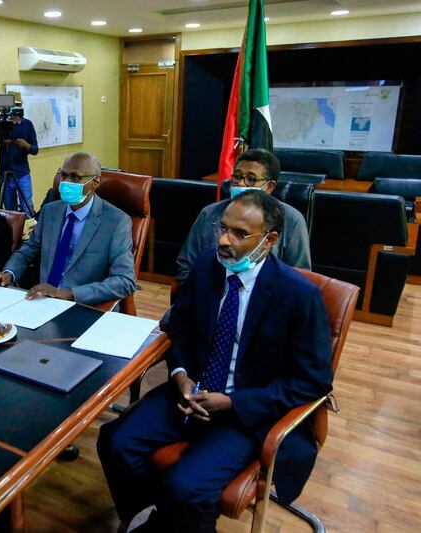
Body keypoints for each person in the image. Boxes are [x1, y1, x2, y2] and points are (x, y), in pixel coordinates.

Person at [97, 190, 332, 533]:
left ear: (270, 239)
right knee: (115, 442)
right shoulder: (208, 265)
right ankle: (152, 516)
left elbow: (313, 381)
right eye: (222, 229)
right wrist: (179, 375)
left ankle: (177, 517)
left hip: (246, 410)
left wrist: (234, 402)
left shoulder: (298, 295)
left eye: (238, 234)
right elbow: (180, 326)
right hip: (191, 392)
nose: (224, 240)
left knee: (187, 486)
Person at [0, 152, 135, 306]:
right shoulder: (50, 211)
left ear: (95, 182)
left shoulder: (116, 222)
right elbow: (27, 251)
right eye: (63, 175)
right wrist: (9, 274)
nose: (65, 182)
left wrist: (69, 294)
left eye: (75, 177)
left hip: (84, 306)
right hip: (41, 299)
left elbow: (124, 281)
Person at [176, 148, 311, 283]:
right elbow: (186, 265)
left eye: (251, 179)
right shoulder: (210, 213)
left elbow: (300, 277)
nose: (241, 183)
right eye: (237, 177)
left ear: (269, 186)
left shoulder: (292, 219)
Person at [0, 101, 38, 217]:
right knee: (9, 209)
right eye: (13, 105)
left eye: (18, 105)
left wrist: (26, 146)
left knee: (27, 205)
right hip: (4, 172)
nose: (15, 108)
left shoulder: (27, 124)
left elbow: (35, 149)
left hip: (22, 172)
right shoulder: (1, 122)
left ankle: (30, 233)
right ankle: (13, 233)